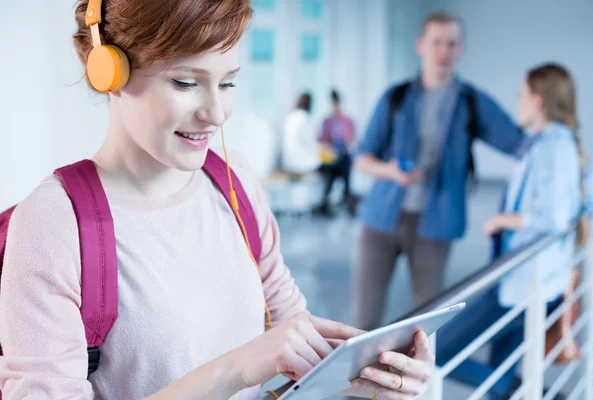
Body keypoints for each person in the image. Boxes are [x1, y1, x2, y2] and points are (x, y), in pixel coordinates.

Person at [0, 1, 435, 399]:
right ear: (108, 72)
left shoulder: (233, 180)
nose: (217, 112)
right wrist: (236, 368)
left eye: (227, 83)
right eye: (186, 82)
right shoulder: (55, 223)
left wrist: (370, 375)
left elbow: (291, 337)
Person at [352, 11, 526, 330]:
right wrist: (390, 171)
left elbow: (520, 143)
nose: (443, 51)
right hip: (381, 220)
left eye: (451, 43)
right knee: (364, 317)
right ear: (421, 46)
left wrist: (558, 136)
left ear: (462, 49)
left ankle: (415, 381)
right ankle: (359, 380)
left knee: (426, 323)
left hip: (435, 225)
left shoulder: (472, 102)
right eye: (436, 43)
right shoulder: (395, 98)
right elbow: (362, 157)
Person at [436, 63, 593, 399]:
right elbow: (590, 200)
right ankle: (521, 390)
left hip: (525, 282)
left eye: (522, 95)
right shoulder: (556, 142)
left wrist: (503, 220)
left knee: (436, 353)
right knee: (500, 369)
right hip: (531, 280)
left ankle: (532, 392)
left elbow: (553, 216)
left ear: (538, 101)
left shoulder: (552, 147)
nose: (518, 101)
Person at [314, 89, 357, 217]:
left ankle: (346, 197)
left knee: (346, 163)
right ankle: (329, 201)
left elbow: (351, 138)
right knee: (332, 171)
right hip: (331, 159)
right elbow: (322, 140)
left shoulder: (347, 120)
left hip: (343, 157)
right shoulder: (327, 121)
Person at [281, 93, 321, 176]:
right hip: (303, 163)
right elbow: (310, 143)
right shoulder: (305, 118)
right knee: (334, 167)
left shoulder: (290, 117)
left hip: (288, 162)